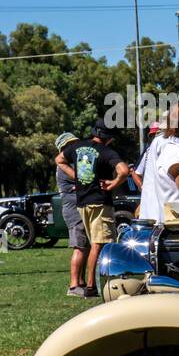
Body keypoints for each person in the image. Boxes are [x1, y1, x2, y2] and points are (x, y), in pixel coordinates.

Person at [57, 119, 129, 295]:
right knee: (99, 244)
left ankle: (91, 284)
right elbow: (124, 171)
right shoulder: (106, 151)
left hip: (82, 203)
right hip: (100, 202)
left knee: (93, 244)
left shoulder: (77, 148)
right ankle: (91, 286)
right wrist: (113, 183)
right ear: (109, 138)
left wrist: (76, 176)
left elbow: (59, 159)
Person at [53, 131, 89, 296]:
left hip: (79, 207)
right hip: (73, 210)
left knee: (85, 246)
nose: (75, 146)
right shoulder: (64, 165)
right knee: (79, 247)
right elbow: (83, 180)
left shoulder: (74, 162)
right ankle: (74, 286)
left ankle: (81, 281)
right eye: (70, 145)